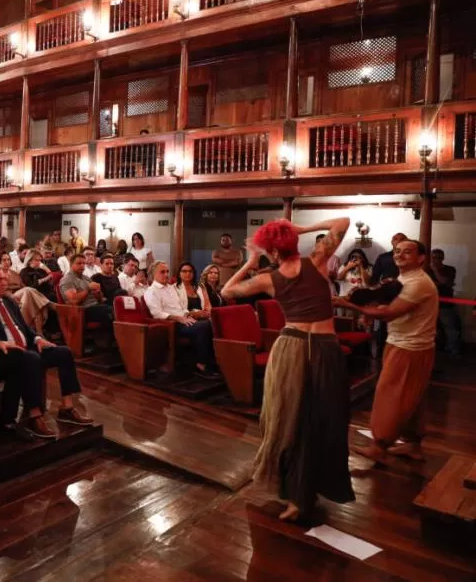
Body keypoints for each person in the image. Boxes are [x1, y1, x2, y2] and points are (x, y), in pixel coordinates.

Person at [221, 217, 355, 522]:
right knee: (320, 419)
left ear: (271, 251)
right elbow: (343, 221)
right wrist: (302, 229)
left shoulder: (268, 277)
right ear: (291, 243)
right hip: (322, 348)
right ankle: (301, 493)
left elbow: (228, 291)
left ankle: (299, 494)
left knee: (291, 420)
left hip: (293, 348)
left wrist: (251, 260)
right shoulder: (318, 259)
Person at [336, 240, 439, 463]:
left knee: (390, 393)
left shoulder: (417, 283)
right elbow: (390, 309)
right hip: (405, 343)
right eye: (397, 251)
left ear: (421, 258)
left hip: (409, 346)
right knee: (412, 395)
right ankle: (412, 444)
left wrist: (348, 305)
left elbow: (389, 313)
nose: (400, 255)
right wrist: (371, 310)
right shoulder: (405, 278)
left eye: (407, 252)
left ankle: (379, 446)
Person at [0, 264, 92, 439]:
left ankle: (67, 407)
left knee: (64, 352)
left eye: (5, 278)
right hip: (4, 353)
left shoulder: (8, 301)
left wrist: (37, 338)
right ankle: (35, 414)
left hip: (26, 347)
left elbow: (24, 327)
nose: (4, 282)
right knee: (32, 359)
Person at [145, 261, 218, 378]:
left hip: (184, 319)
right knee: (204, 326)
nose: (166, 274)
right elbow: (157, 313)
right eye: (162, 272)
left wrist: (187, 315)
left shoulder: (170, 288)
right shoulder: (151, 291)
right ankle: (201, 364)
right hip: (172, 324)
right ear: (154, 274)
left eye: (167, 271)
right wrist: (179, 318)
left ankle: (212, 361)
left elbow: (181, 308)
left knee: (212, 323)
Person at [60, 253, 114, 350]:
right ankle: (106, 343)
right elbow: (73, 300)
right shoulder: (67, 280)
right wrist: (88, 289)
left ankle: (111, 342)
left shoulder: (86, 278)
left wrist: (98, 294)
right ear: (71, 264)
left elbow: (100, 299)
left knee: (115, 306)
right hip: (82, 311)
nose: (82, 266)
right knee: (109, 311)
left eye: (83, 263)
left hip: (96, 305)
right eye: (79, 263)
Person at [429, 248, 462, 359]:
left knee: (450, 328)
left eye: (438, 257)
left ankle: (454, 351)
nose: (435, 260)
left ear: (442, 258)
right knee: (429, 328)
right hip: (429, 304)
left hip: (445, 304)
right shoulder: (426, 269)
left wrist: (435, 271)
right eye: (433, 257)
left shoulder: (450, 269)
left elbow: (444, 282)